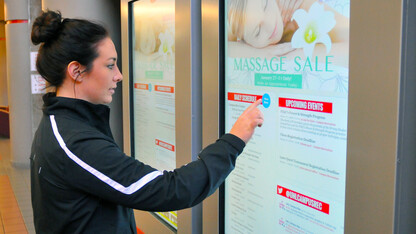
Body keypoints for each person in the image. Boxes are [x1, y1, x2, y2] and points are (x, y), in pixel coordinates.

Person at [30, 10, 264, 233]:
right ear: (76, 71)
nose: (119, 75)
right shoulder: (74, 142)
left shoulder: (60, 123)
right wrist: (234, 140)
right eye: (110, 65)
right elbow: (170, 190)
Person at [227, 0, 349, 60]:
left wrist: (295, 56)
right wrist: (255, 54)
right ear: (246, 42)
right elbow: (216, 48)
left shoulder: (300, 7)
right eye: (258, 31)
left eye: (265, 6)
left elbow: (356, 41)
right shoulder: (238, 27)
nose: (270, 24)